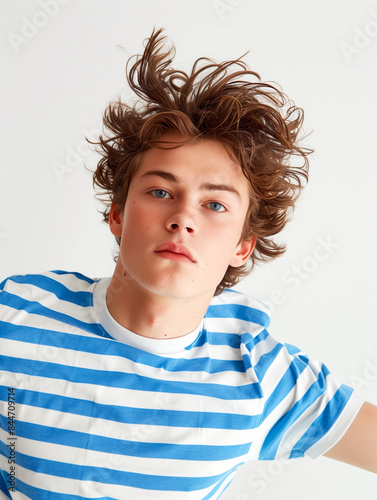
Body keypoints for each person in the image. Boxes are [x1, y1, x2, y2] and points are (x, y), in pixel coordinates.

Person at [0, 28, 376, 500]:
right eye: (161, 192)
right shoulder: (15, 314)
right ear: (118, 214)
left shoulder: (261, 374)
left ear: (243, 246)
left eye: (215, 205)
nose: (182, 219)